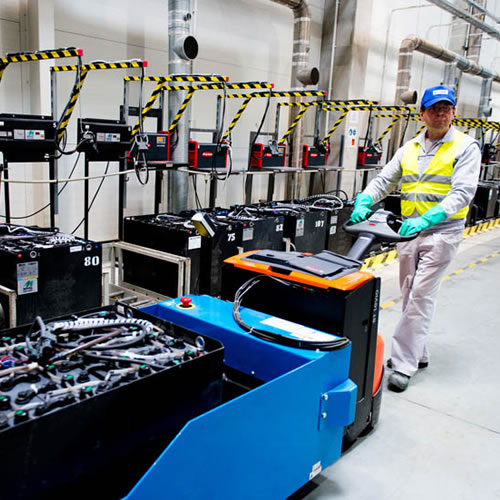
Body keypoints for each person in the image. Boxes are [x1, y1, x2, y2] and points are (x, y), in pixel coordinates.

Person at [350, 84, 481, 392]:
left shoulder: (465, 147)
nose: (440, 113)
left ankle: (403, 364)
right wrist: (365, 199)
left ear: (453, 112)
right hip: (409, 229)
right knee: (410, 291)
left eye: (446, 108)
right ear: (422, 114)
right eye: (434, 108)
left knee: (421, 294)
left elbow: (462, 193)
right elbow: (385, 179)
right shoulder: (409, 148)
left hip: (442, 231)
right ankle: (418, 353)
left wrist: (430, 217)